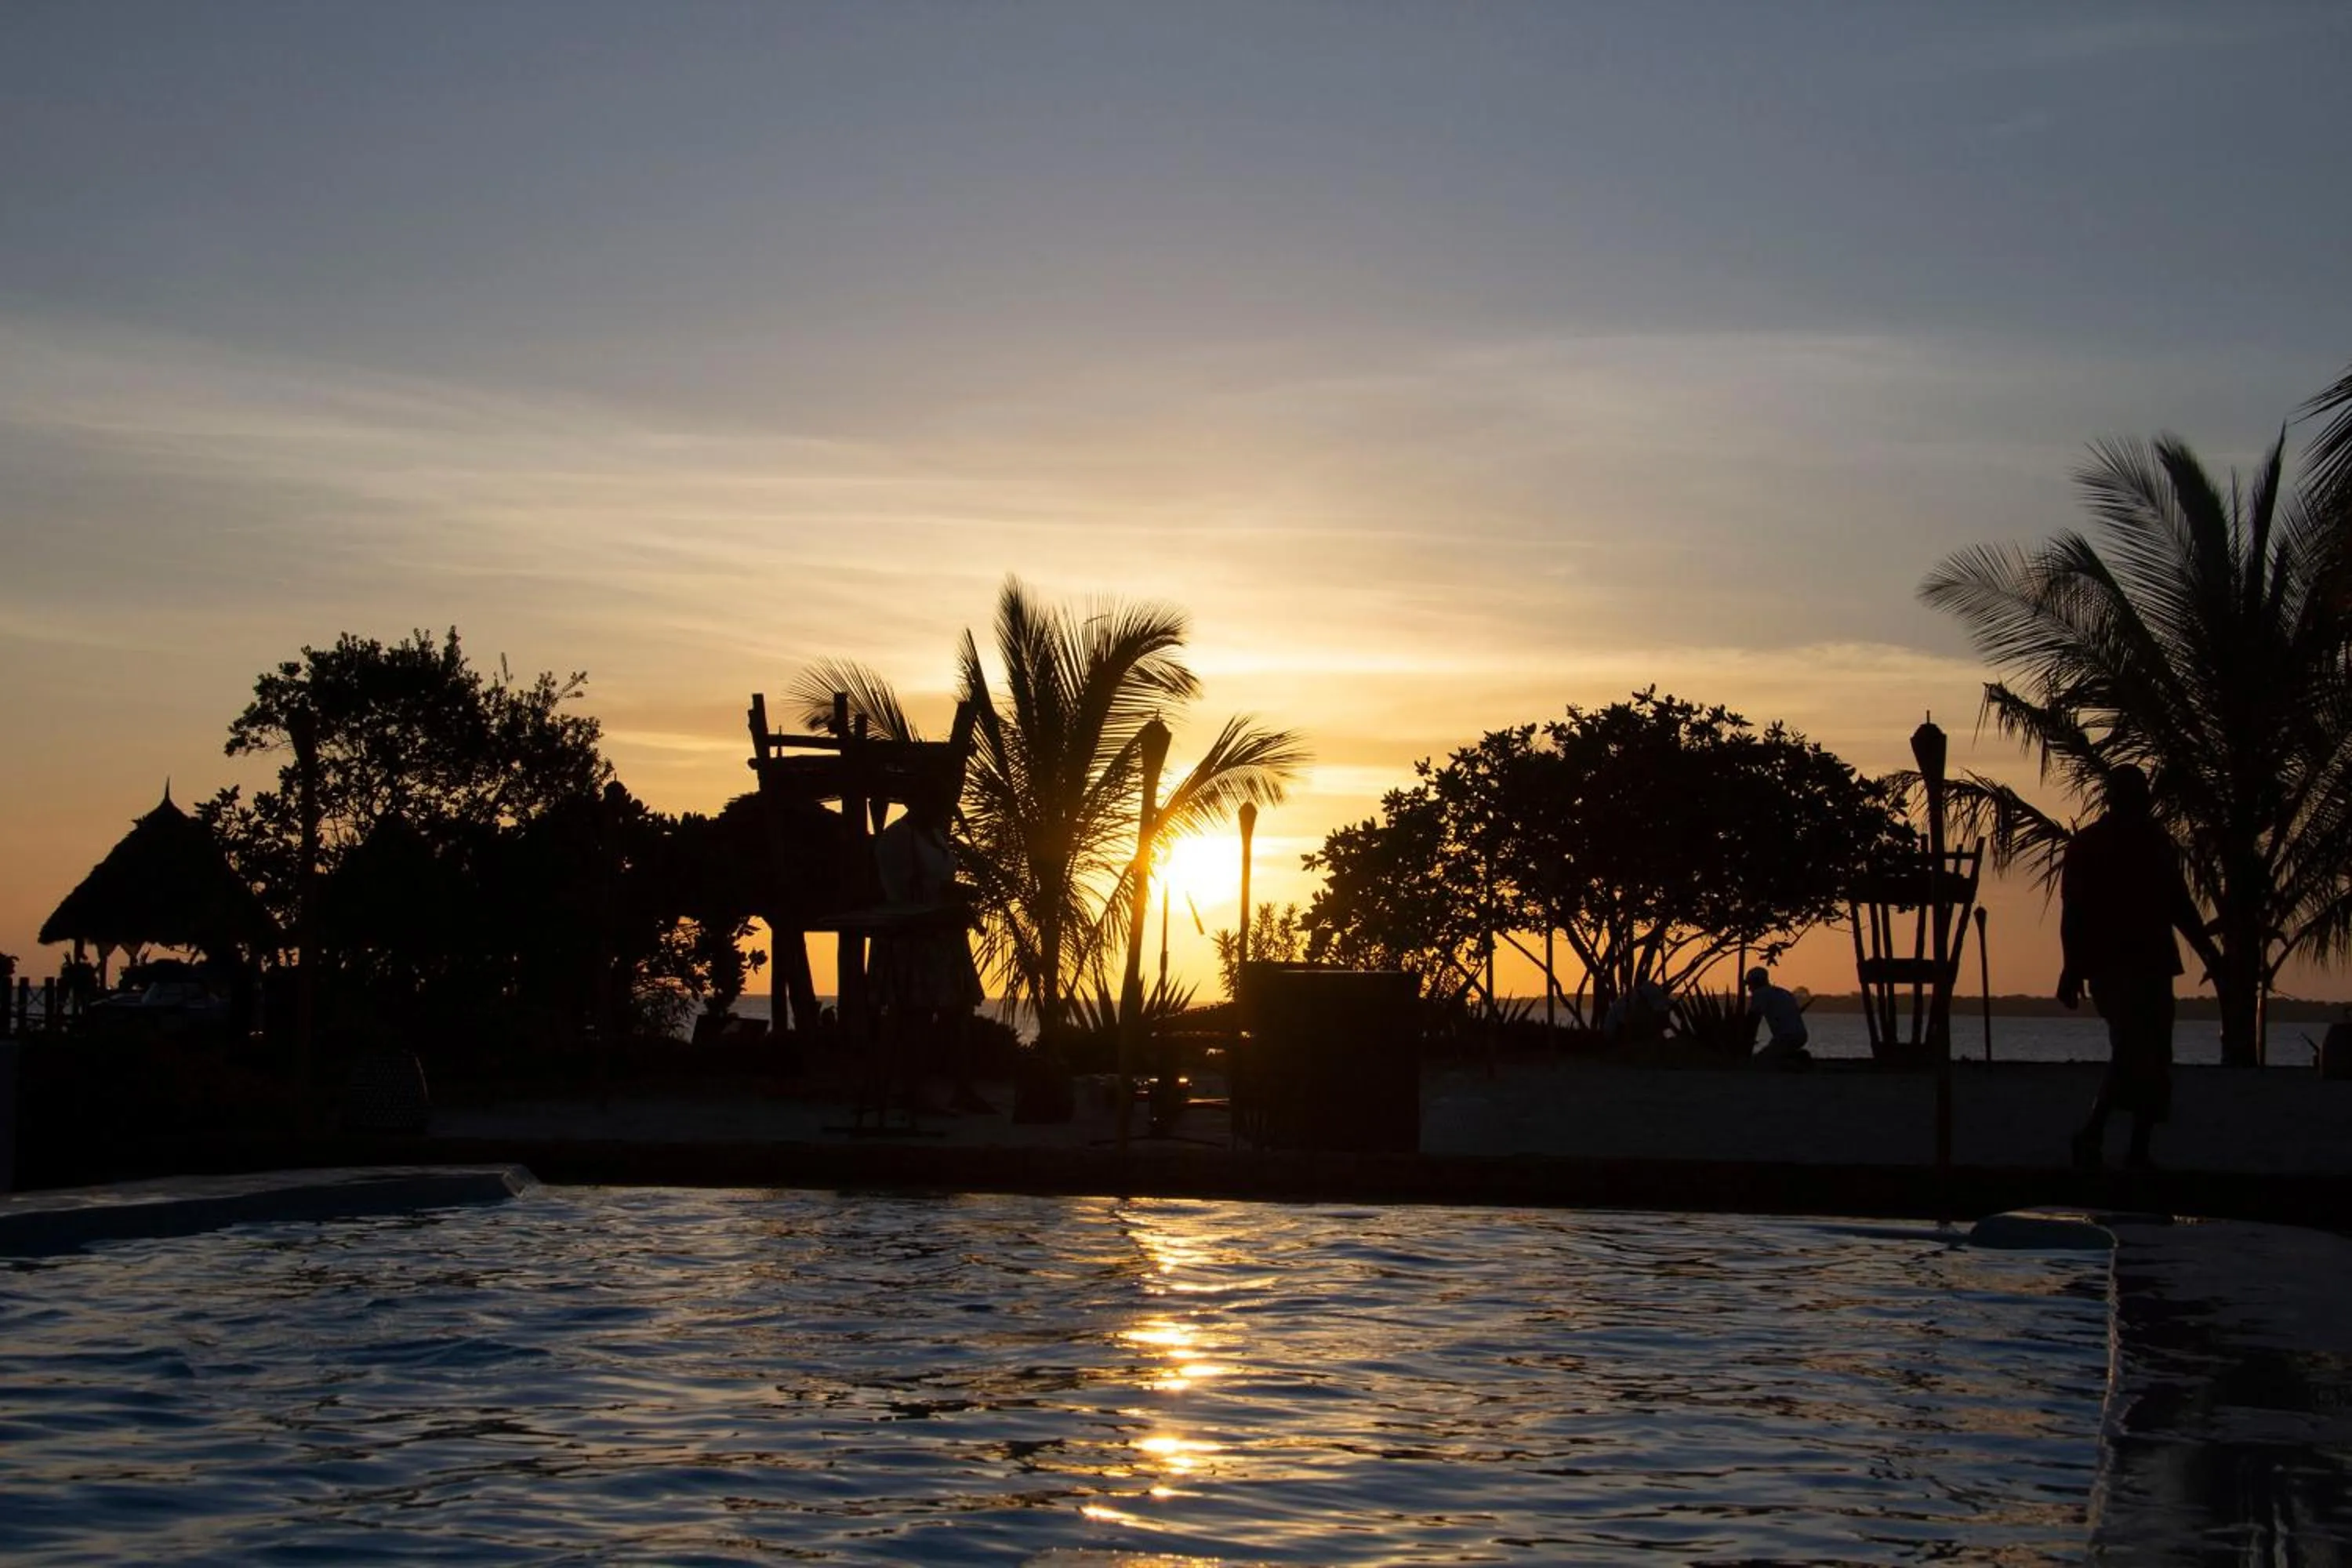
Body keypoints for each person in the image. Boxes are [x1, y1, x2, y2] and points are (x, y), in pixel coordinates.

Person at [2057, 764, 2221, 1171]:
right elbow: (2074, 911)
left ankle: (2134, 1147)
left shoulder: (2152, 843)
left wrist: (2209, 953)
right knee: (2132, 1050)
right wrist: (2071, 967)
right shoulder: (2093, 845)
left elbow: (2178, 903)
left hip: (2148, 964)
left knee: (2153, 1056)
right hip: (2116, 965)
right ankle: (2096, 1133)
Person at [1745, 967, 1810, 1066]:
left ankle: (1797, 1062)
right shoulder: (1784, 992)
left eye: (1750, 984)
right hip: (1801, 1035)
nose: (1749, 989)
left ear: (1756, 982)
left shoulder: (1760, 994)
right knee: (1778, 1053)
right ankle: (1797, 1056)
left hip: (1786, 1037)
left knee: (1761, 1061)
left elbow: (1752, 1020)